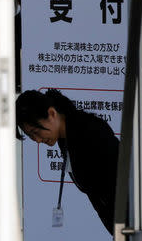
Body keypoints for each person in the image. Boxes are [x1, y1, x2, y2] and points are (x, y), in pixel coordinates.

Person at [16, 89, 119, 235]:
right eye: (31, 136)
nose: (37, 140)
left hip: (136, 214)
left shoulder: (88, 131)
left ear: (52, 113)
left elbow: (115, 184)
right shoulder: (66, 137)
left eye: (36, 132)